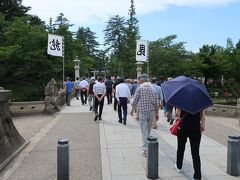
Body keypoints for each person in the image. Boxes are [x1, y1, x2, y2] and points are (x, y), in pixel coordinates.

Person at [132, 74, 160, 157]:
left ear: (142, 80)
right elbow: (156, 102)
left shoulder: (140, 88)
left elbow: (134, 101)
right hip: (151, 112)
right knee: (148, 130)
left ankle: (145, 149)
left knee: (144, 131)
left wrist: (132, 110)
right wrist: (157, 113)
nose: (138, 81)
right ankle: (147, 146)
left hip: (143, 112)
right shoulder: (152, 88)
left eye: (139, 79)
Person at [174, 108, 206, 180]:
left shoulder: (182, 100)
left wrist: (177, 116)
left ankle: (179, 166)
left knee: (181, 148)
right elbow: (203, 117)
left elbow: (177, 114)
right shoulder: (200, 102)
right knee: (195, 154)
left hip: (183, 128)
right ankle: (197, 176)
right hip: (195, 129)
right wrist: (203, 126)